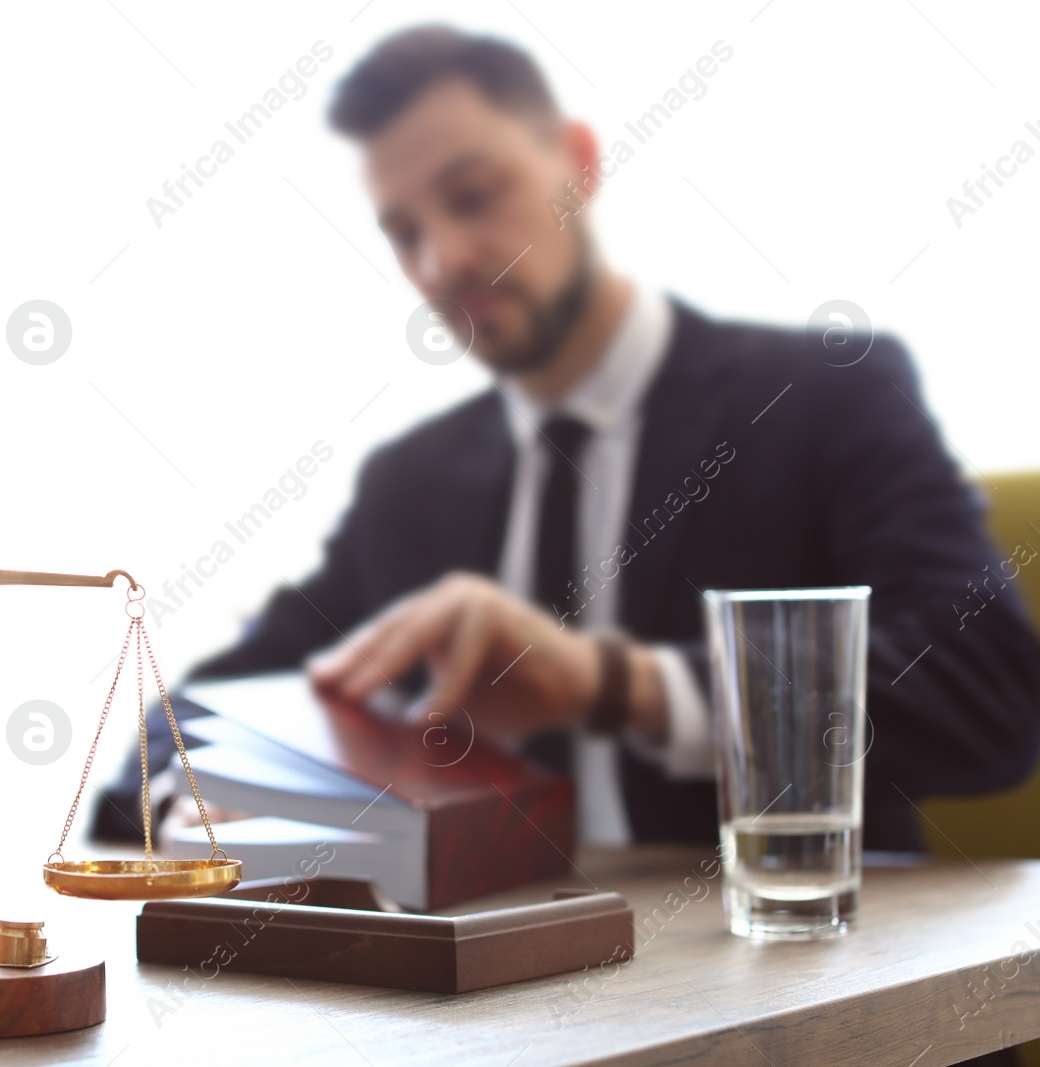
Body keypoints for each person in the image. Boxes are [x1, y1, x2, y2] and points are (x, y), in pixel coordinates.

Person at [94, 25, 1040, 862]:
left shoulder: (821, 395)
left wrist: (612, 682)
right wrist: (196, 808)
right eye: (403, 230)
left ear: (578, 163)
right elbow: (192, 721)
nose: (443, 260)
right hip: (497, 1012)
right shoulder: (409, 485)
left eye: (472, 195)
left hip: (792, 990)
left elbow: (988, 695)